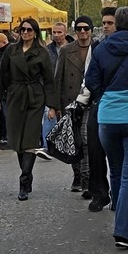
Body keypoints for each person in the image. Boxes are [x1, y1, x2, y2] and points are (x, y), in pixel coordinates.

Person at [85, 7, 128, 250]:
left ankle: (118, 209)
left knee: (115, 169)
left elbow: (91, 81)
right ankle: (124, 231)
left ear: (116, 24)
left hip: (108, 117)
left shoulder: (101, 48)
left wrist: (106, 95)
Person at [0, 18, 56, 201]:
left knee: (29, 140)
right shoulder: (11, 50)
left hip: (35, 97)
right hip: (15, 96)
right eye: (23, 29)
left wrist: (52, 105)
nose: (26, 32)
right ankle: (26, 174)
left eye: (29, 30)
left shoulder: (42, 53)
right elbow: (2, 74)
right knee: (17, 141)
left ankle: (24, 180)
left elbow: (49, 80)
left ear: (35, 32)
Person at [48, 16, 94, 193]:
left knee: (87, 140)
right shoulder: (66, 51)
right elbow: (57, 78)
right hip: (70, 101)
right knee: (73, 140)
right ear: (75, 31)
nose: (83, 32)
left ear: (90, 30)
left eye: (86, 28)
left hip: (90, 101)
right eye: (79, 29)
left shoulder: (97, 49)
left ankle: (86, 176)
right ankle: (77, 174)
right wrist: (55, 105)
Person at [86, 7, 118, 210]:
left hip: (121, 104)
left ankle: (117, 193)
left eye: (110, 23)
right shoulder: (97, 46)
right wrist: (100, 94)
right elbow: (90, 77)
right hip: (100, 101)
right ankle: (99, 193)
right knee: (95, 151)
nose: (105, 26)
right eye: (104, 23)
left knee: (118, 154)